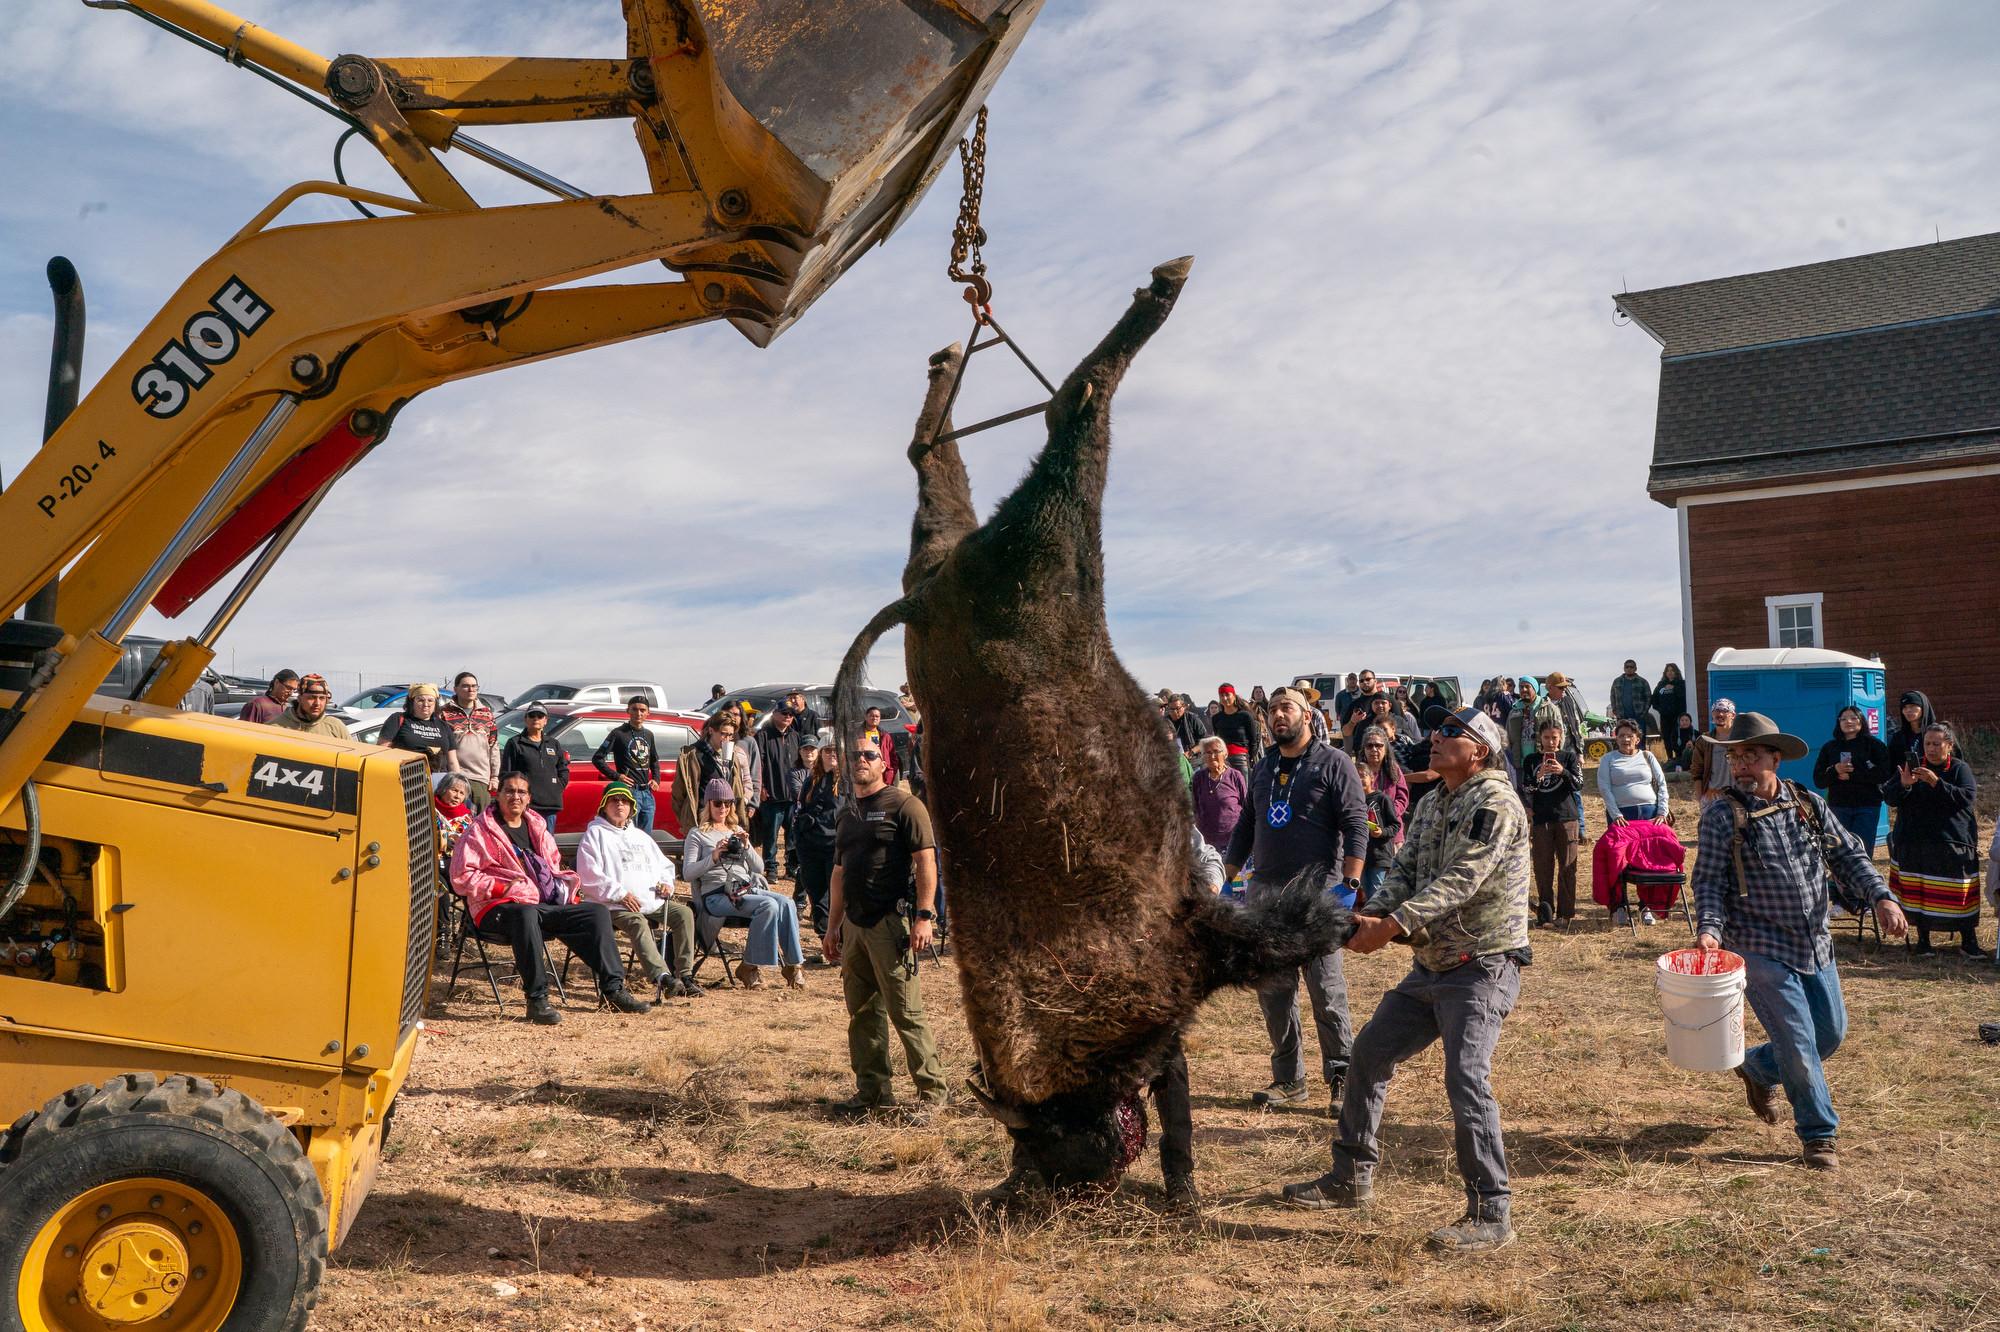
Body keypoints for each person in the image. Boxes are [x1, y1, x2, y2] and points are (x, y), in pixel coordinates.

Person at [1283, 707, 1531, 1255]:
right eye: (1438, 732)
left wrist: (1391, 926)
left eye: (1451, 735)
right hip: (1433, 967)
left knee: (1466, 1079)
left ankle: (1492, 1210)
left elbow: (1463, 878)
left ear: (1480, 751)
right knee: (1368, 1055)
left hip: (1483, 965)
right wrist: (1362, 921)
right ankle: (1351, 1179)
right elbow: (1402, 872)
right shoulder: (1435, 802)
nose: (1437, 740)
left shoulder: (1495, 802)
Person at [1693, 712, 1907, 1170]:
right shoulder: (1721, 815)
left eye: (1751, 755)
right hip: (1757, 945)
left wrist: (1882, 897)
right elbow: (1708, 881)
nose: (1742, 765)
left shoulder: (1807, 803)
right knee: (1798, 1039)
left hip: (1816, 942)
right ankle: (1818, 1135)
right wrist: (1709, 930)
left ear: (1776, 758)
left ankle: (1757, 1067)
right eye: (1735, 756)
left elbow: (1849, 855)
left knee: (1830, 1033)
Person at [1224, 686, 1367, 1111]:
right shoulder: (1263, 768)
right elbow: (1246, 825)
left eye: (1287, 707)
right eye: (1272, 709)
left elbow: (1356, 823)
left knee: (1326, 990)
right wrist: (1227, 880)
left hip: (1317, 894)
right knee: (1274, 992)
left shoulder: (1334, 762)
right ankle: (1289, 1080)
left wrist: (1351, 885)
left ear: (1308, 715)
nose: (1278, 714)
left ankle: (1343, 1078)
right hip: (1265, 894)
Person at [449, 771, 650, 1024]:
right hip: (495, 908)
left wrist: (565, 888)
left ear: (529, 798)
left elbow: (553, 864)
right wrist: (502, 887)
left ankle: (613, 990)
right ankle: (537, 1000)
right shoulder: (480, 831)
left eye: (521, 792)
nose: (515, 796)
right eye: (509, 791)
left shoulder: (537, 826)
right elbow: (460, 877)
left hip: (540, 903)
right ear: (497, 794)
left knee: (595, 912)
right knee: (526, 913)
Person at [825, 741, 949, 1115]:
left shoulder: (905, 806)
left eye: (869, 755)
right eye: (855, 756)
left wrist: (925, 916)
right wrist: (833, 927)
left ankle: (934, 1094)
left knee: (905, 1012)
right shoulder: (846, 813)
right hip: (855, 927)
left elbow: (926, 862)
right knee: (862, 1013)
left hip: (890, 923)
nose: (861, 761)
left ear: (885, 764)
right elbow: (838, 874)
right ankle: (873, 1093)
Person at [1154, 829, 1227, 1211]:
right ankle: (1031, 1170)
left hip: (1151, 961)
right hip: (1086, 967)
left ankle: (1179, 1173)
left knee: (1168, 1062)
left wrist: (1207, 892)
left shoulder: (1159, 811)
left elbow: (1209, 857)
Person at [576, 782, 704, 1000]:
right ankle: (662, 977)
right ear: (604, 806)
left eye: (624, 800)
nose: (619, 804)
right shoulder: (594, 835)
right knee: (638, 923)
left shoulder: (641, 837)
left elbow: (664, 866)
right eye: (614, 800)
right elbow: (589, 875)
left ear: (631, 807)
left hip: (650, 900)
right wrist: (620, 894)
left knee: (684, 914)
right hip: (613, 904)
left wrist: (667, 884)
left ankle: (685, 976)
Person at [683, 779, 805, 989]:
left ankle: (793, 966)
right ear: (708, 804)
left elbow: (758, 868)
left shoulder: (736, 829)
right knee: (769, 906)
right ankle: (749, 967)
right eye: (718, 803)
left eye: (727, 803)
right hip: (717, 895)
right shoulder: (697, 834)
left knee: (787, 902)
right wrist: (713, 856)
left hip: (745, 889)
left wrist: (747, 846)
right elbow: (687, 873)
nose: (723, 808)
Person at [1882, 723, 1981, 956]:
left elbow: (1966, 798)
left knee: (1959, 891)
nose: (1932, 749)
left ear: (1949, 745)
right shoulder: (1913, 768)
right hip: (1914, 841)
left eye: (1937, 744)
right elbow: (1889, 796)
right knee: (1919, 891)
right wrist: (1905, 784)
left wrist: (1937, 783)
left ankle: (1969, 941)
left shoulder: (1959, 768)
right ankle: (1923, 941)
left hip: (1952, 841)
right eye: (1928, 744)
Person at [1517, 720, 1580, 928]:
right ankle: (1545, 913)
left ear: (1561, 737)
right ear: (1540, 739)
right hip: (1541, 818)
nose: (1551, 742)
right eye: (1546, 738)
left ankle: (1566, 913)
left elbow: (1578, 784)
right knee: (1543, 868)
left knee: (1568, 866)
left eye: (1554, 737)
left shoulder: (1569, 757)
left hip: (1566, 817)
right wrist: (1538, 776)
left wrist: (1563, 771)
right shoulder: (1531, 760)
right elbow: (1525, 789)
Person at [1812, 706, 1890, 856]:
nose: (1848, 721)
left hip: (1867, 806)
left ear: (1862, 721)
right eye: (1844, 718)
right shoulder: (1830, 747)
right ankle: (1837, 880)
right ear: (1838, 723)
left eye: (1854, 718)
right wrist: (1835, 770)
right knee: (1838, 853)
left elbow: (1884, 774)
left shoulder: (1874, 745)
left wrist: (1853, 776)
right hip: (1838, 807)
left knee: (1862, 851)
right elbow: (1819, 780)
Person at [1349, 727, 1409, 901]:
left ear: (1385, 748)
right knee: (1362, 884)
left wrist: (1386, 813)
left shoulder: (1393, 770)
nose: (1374, 749)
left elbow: (1402, 797)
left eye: (1378, 745)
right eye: (1369, 746)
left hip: (1390, 835)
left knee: (1388, 882)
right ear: (1363, 749)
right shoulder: (1357, 771)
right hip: (1362, 836)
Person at [792, 733, 841, 941]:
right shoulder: (811, 780)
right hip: (811, 848)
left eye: (835, 750)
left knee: (837, 896)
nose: (831, 754)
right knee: (817, 894)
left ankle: (841, 941)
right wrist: (800, 839)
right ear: (821, 753)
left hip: (836, 848)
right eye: (827, 750)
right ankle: (824, 939)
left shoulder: (847, 781)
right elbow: (800, 809)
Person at [592, 698, 660, 833]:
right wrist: (617, 776)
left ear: (648, 713)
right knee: (628, 832)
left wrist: (656, 779)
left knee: (646, 836)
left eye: (642, 710)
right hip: (629, 791)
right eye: (634, 709)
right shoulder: (618, 733)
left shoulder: (649, 735)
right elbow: (597, 758)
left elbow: (654, 760)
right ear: (628, 710)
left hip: (647, 792)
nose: (638, 713)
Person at [674, 711, 749, 831]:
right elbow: (679, 793)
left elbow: (736, 788)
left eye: (730, 735)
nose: (727, 739)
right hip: (702, 821)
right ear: (711, 731)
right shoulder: (693, 755)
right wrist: (687, 820)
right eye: (723, 734)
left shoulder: (731, 754)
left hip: (726, 819)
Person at [753, 706, 805, 877]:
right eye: (784, 713)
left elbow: (801, 763)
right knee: (771, 835)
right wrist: (761, 787)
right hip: (772, 794)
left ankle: (791, 867)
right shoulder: (763, 735)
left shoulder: (795, 736)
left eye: (791, 714)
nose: (788, 717)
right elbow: (758, 763)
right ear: (774, 714)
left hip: (792, 796)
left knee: (792, 835)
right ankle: (771, 868)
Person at [501, 702, 570, 827]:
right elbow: (507, 774)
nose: (535, 719)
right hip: (526, 805)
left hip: (550, 805)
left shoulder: (553, 744)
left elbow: (563, 769)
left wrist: (557, 787)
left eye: (540, 716)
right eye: (532, 716)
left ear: (545, 721)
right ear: (525, 719)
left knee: (546, 843)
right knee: (525, 843)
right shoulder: (515, 743)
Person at [442, 672, 499, 810]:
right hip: (454, 778)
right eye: (466, 686)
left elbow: (493, 747)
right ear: (455, 689)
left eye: (474, 686)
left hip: (480, 778)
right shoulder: (444, 713)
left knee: (479, 824)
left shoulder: (487, 714)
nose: (471, 690)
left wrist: (495, 777)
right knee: (457, 823)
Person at [1597, 719, 1669, 824]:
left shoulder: (1647, 756)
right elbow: (1604, 789)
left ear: (1637, 740)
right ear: (1616, 739)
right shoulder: (1607, 759)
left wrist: (1662, 812)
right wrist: (1616, 815)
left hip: (1651, 813)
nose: (1625, 739)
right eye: (1621, 736)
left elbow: (1661, 783)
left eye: (1630, 736)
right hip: (1622, 816)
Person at [381, 682, 455, 776]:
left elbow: (452, 761)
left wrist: (457, 782)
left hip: (439, 781)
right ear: (412, 702)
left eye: (430, 700)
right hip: (407, 778)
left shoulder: (444, 726)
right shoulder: (398, 719)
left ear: (435, 703)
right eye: (420, 700)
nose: (426, 704)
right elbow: (382, 750)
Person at [1191, 736, 1249, 853]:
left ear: (1225, 754)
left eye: (1216, 751)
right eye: (1208, 752)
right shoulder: (1199, 777)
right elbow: (1196, 806)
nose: (1212, 756)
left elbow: (1247, 807)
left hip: (1232, 839)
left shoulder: (1235, 776)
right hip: (1207, 842)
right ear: (1203, 756)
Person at [1691, 697, 1738, 807]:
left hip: (1738, 794)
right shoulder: (1704, 740)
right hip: (1712, 796)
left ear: (1733, 715)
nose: (1720, 714)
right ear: (1712, 714)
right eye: (1716, 711)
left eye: (1725, 711)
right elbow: (1697, 771)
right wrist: (1700, 798)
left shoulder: (1740, 738)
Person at [273, 673, 350, 738]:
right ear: (299, 698)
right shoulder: (277, 727)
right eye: (311, 698)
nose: (317, 703)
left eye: (322, 698)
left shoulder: (336, 727)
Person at [1210, 683, 1262, 775]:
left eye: (1227, 695)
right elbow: (1217, 739)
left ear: (1233, 696)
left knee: (1243, 788)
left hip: (1242, 759)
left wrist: (1250, 757)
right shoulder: (1216, 718)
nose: (1224, 698)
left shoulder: (1245, 716)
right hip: (1223, 759)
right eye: (1221, 695)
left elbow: (1253, 740)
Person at [1884, 690, 1933, 772]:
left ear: (1923, 707)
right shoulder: (1898, 738)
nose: (1908, 710)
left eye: (1912, 706)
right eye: (1904, 707)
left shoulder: (1938, 734)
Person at [432, 772, 475, 866]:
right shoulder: (430, 810)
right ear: (443, 789)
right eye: (454, 790)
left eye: (462, 793)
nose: (457, 796)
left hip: (459, 864)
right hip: (433, 862)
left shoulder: (467, 817)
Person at [860, 706, 900, 786]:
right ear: (866, 717)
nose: (874, 718)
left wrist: (891, 772)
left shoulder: (885, 736)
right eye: (871, 716)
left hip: (882, 775)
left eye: (877, 716)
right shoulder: (857, 735)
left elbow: (893, 757)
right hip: (865, 773)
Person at [1609, 660, 1652, 733]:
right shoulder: (1617, 681)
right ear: (1624, 668)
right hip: (1622, 717)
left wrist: (1643, 713)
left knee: (1639, 740)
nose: (1629, 669)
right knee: (1623, 739)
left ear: (1635, 669)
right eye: (1627, 667)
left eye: (1631, 667)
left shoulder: (1642, 682)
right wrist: (1615, 711)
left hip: (1639, 717)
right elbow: (1612, 697)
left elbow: (1649, 698)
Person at [1652, 664, 1687, 741]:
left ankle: (1679, 753)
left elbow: (1683, 696)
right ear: (1665, 673)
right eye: (1668, 670)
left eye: (1672, 670)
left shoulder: (1682, 683)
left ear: (1676, 672)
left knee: (1678, 737)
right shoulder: (1661, 684)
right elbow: (1654, 699)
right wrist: (1660, 710)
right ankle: (1669, 753)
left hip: (1678, 716)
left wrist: (1674, 688)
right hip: (1665, 717)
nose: (1670, 672)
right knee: (1667, 738)